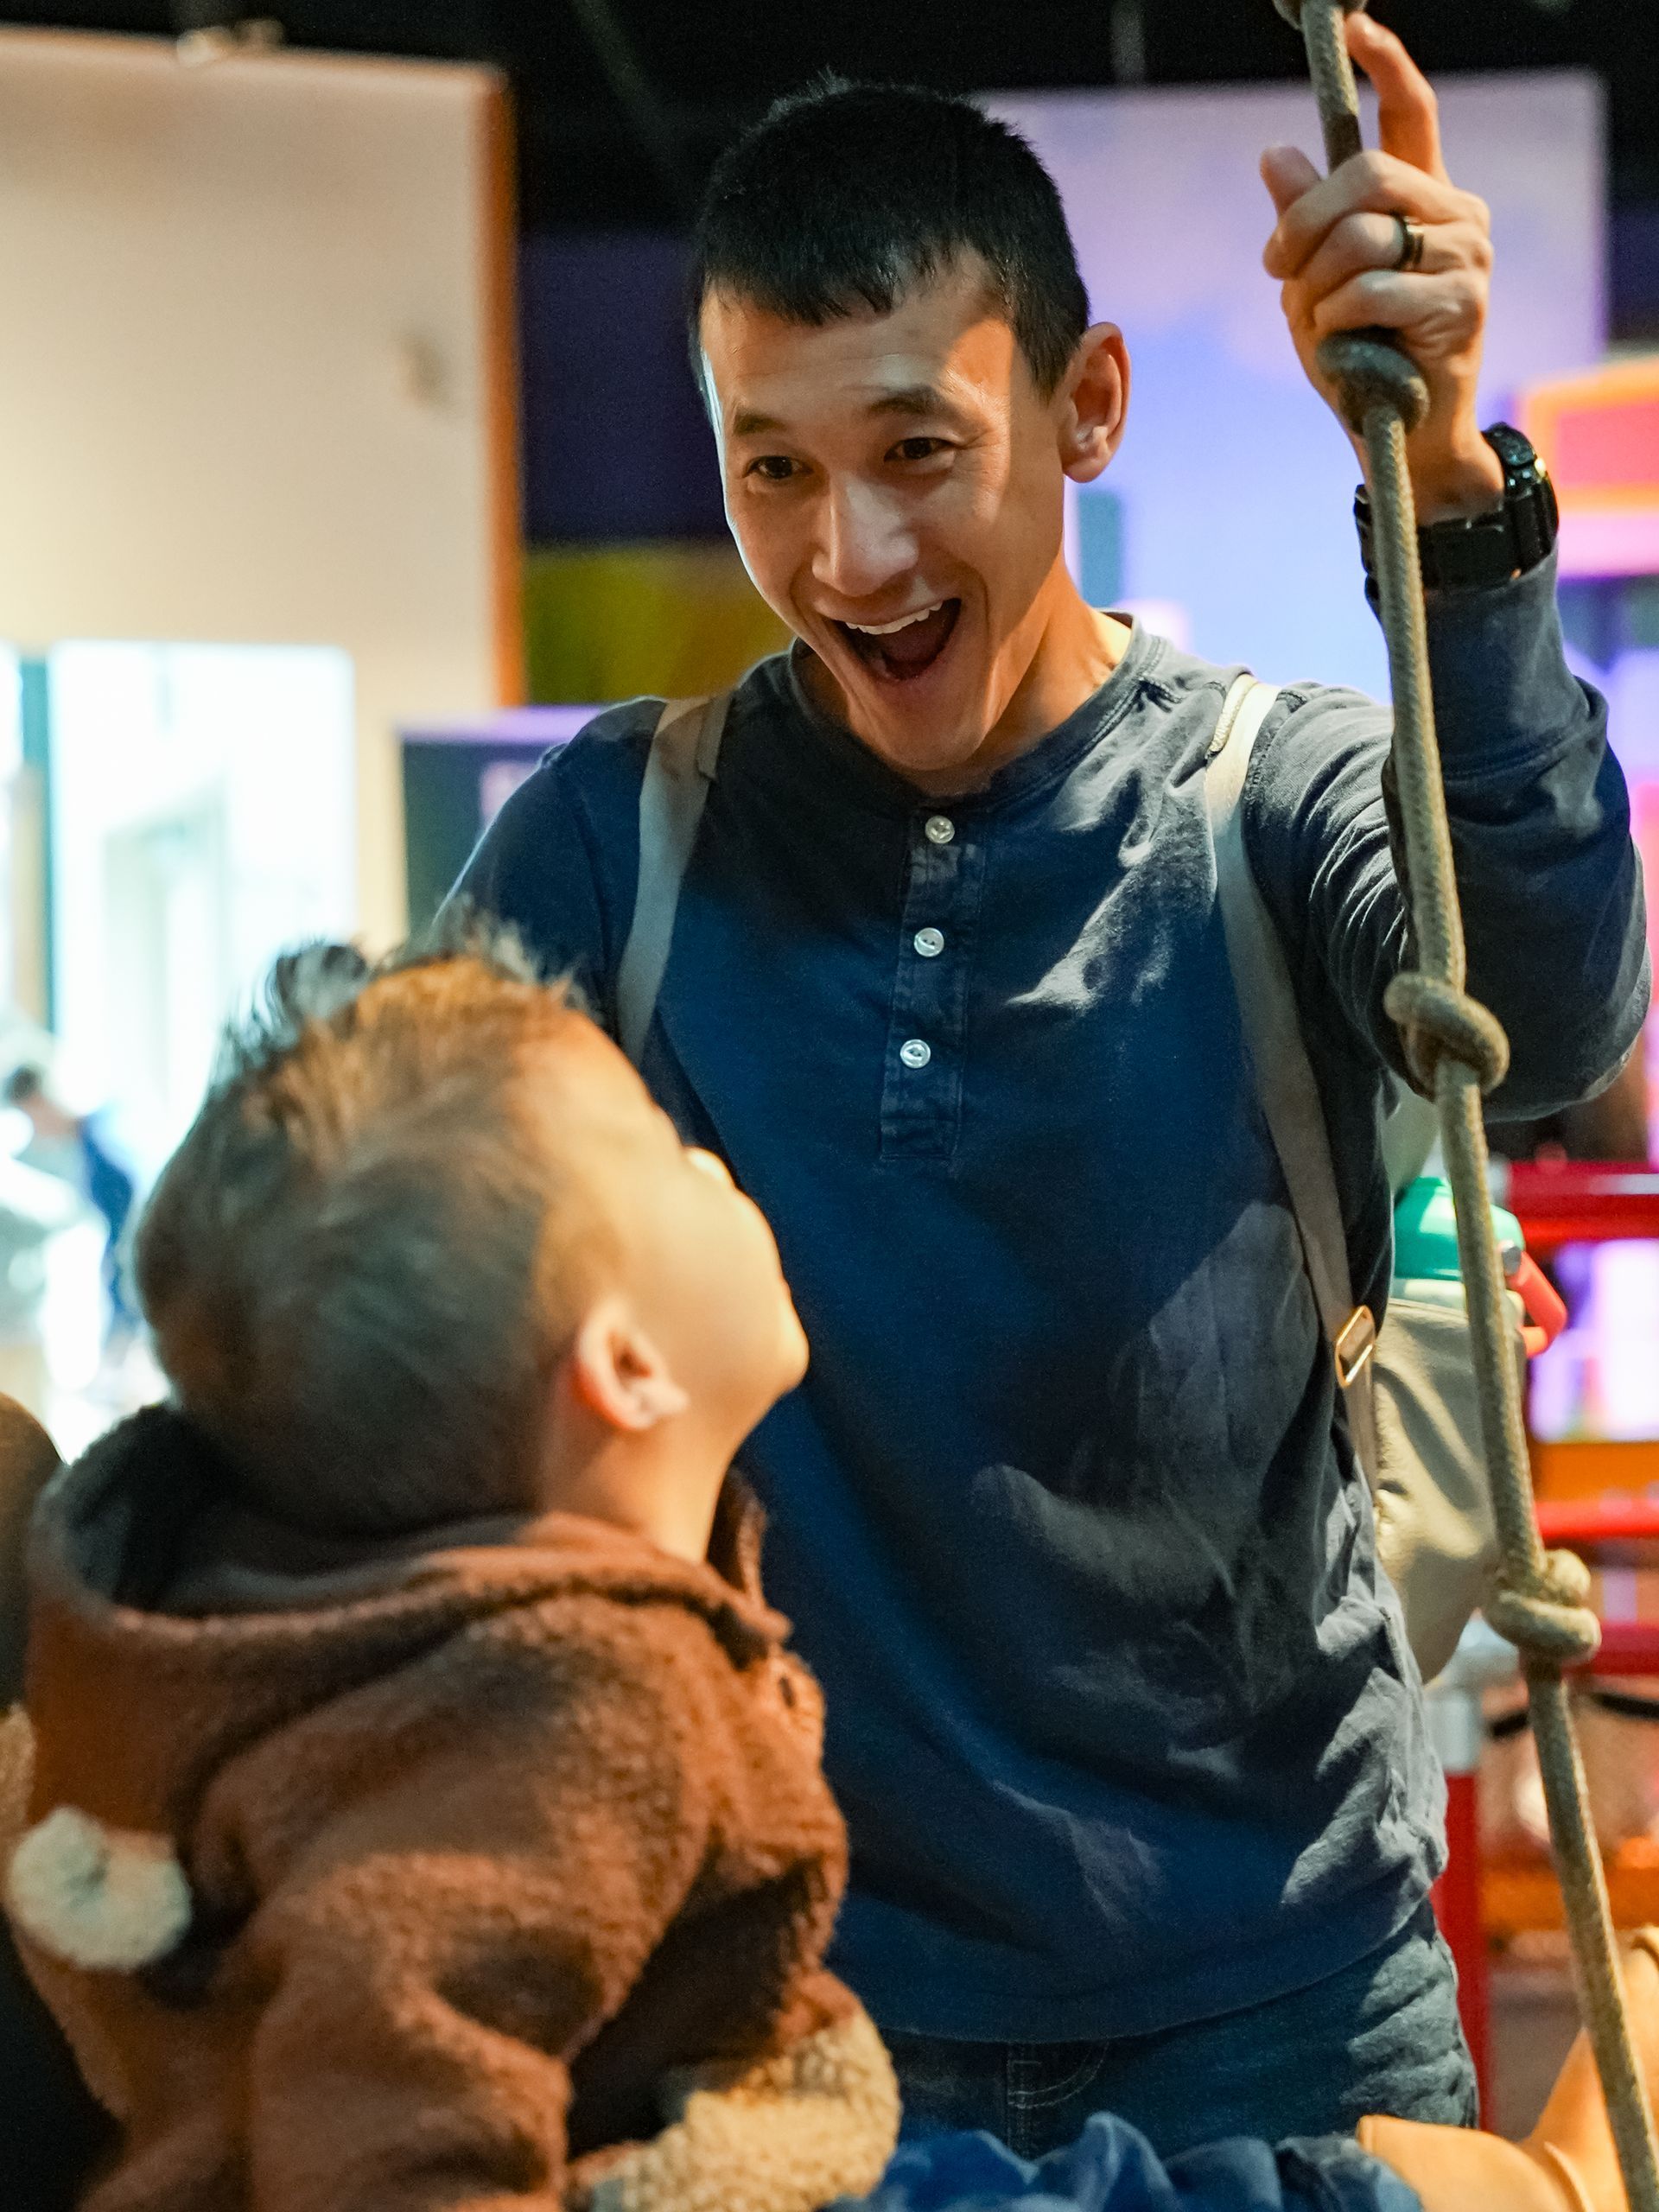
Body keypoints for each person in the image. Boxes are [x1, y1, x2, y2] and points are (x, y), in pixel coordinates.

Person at [453, 12, 1649, 2159]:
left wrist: (1452, 486)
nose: (850, 555)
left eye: (918, 447)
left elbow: (1544, 1018)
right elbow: (383, 1268)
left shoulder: (1262, 803)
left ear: (1081, 407)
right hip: (793, 1994)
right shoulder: (617, 843)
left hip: (1277, 1994)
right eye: (773, 468)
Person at [0, 933, 899, 2212]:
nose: (706, 1160)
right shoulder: (577, 1710)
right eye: (655, 1147)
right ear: (627, 1369)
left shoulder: (384, 1640)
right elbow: (385, 2132)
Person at [4, 1065, 138, 1355]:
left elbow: (128, 1239)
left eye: (30, 1117)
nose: (35, 1133)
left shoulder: (105, 1147)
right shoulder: (87, 1145)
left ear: (40, 1102)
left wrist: (122, 1327)